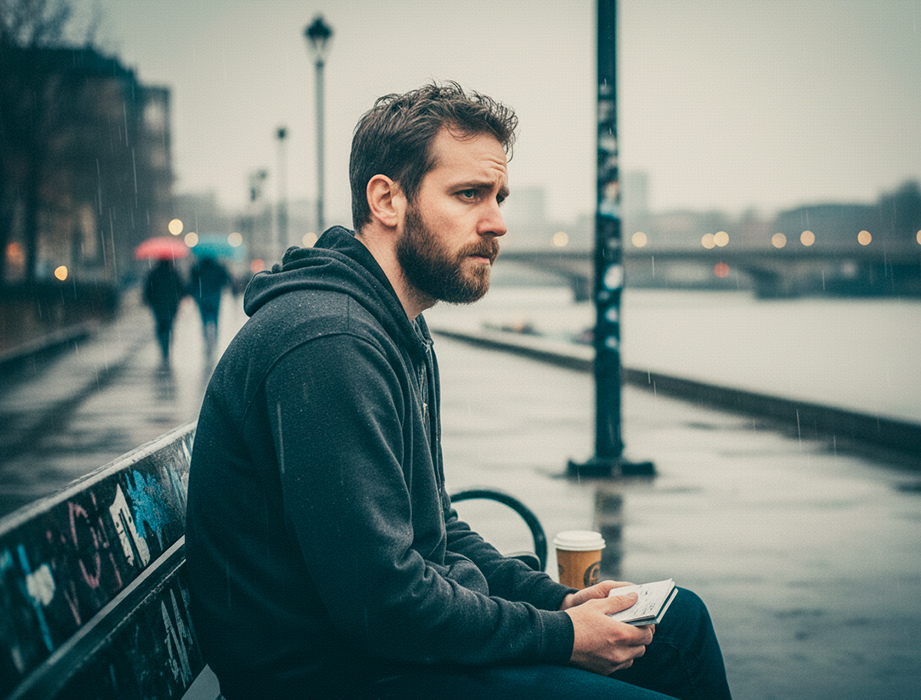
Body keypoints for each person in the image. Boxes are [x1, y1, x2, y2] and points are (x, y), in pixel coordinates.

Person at [185, 82, 731, 700]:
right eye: (469, 194)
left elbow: (435, 530)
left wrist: (560, 601)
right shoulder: (330, 344)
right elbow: (383, 604)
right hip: (340, 676)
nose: (497, 221)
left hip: (388, 656)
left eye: (498, 196)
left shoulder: (396, 329)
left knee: (677, 622)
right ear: (387, 200)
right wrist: (562, 634)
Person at [142, 258, 185, 366]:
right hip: (171, 305)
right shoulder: (174, 273)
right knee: (169, 325)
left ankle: (163, 346)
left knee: (160, 325)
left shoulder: (153, 273)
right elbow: (181, 287)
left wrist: (147, 300)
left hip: (158, 305)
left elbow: (148, 289)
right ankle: (167, 345)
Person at [188, 255, 232, 357]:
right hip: (215, 298)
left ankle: (206, 342)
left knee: (204, 320)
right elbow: (226, 280)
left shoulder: (197, 268)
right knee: (215, 320)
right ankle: (214, 342)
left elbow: (192, 282)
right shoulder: (218, 267)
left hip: (202, 298)